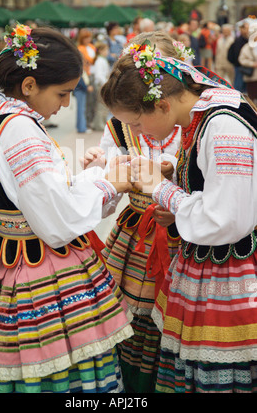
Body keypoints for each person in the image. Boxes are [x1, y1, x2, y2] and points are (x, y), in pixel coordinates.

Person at [0, 24, 134, 393]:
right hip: (42, 271)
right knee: (65, 372)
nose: (66, 104)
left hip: (19, 266)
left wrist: (91, 177)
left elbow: (41, 195)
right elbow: (57, 220)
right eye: (63, 93)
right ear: (28, 86)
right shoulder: (20, 129)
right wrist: (112, 183)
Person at [100, 33, 257, 393]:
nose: (136, 132)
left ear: (161, 106)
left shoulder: (221, 125)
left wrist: (162, 189)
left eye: (137, 124)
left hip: (228, 270)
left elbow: (225, 219)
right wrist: (174, 172)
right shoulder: (208, 111)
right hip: (209, 263)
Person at [82, 31, 187, 393]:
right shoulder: (120, 124)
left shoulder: (190, 121)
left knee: (175, 318)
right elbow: (108, 178)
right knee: (133, 317)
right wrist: (100, 165)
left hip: (184, 234)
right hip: (135, 235)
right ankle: (134, 388)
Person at [77, 28, 97, 130]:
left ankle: (89, 122)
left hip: (92, 74)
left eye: (89, 37)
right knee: (85, 103)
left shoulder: (92, 47)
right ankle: (84, 125)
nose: (88, 39)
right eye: (86, 38)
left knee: (92, 101)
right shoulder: (80, 48)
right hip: (85, 75)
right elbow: (86, 62)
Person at [227, 18, 250, 92]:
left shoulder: (247, 39)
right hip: (240, 67)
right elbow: (235, 54)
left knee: (245, 87)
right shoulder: (239, 41)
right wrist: (236, 63)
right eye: (246, 28)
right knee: (238, 87)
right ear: (242, 29)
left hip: (246, 67)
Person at [92, 42, 111, 131]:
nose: (107, 51)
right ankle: (99, 124)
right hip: (101, 85)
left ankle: (101, 123)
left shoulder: (102, 60)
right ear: (100, 51)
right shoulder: (99, 61)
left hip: (103, 83)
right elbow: (99, 75)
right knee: (101, 105)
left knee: (103, 105)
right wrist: (105, 83)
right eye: (105, 50)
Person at [238, 19, 257, 103]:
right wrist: (252, 64)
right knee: (251, 97)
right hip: (252, 76)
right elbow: (241, 60)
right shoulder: (246, 47)